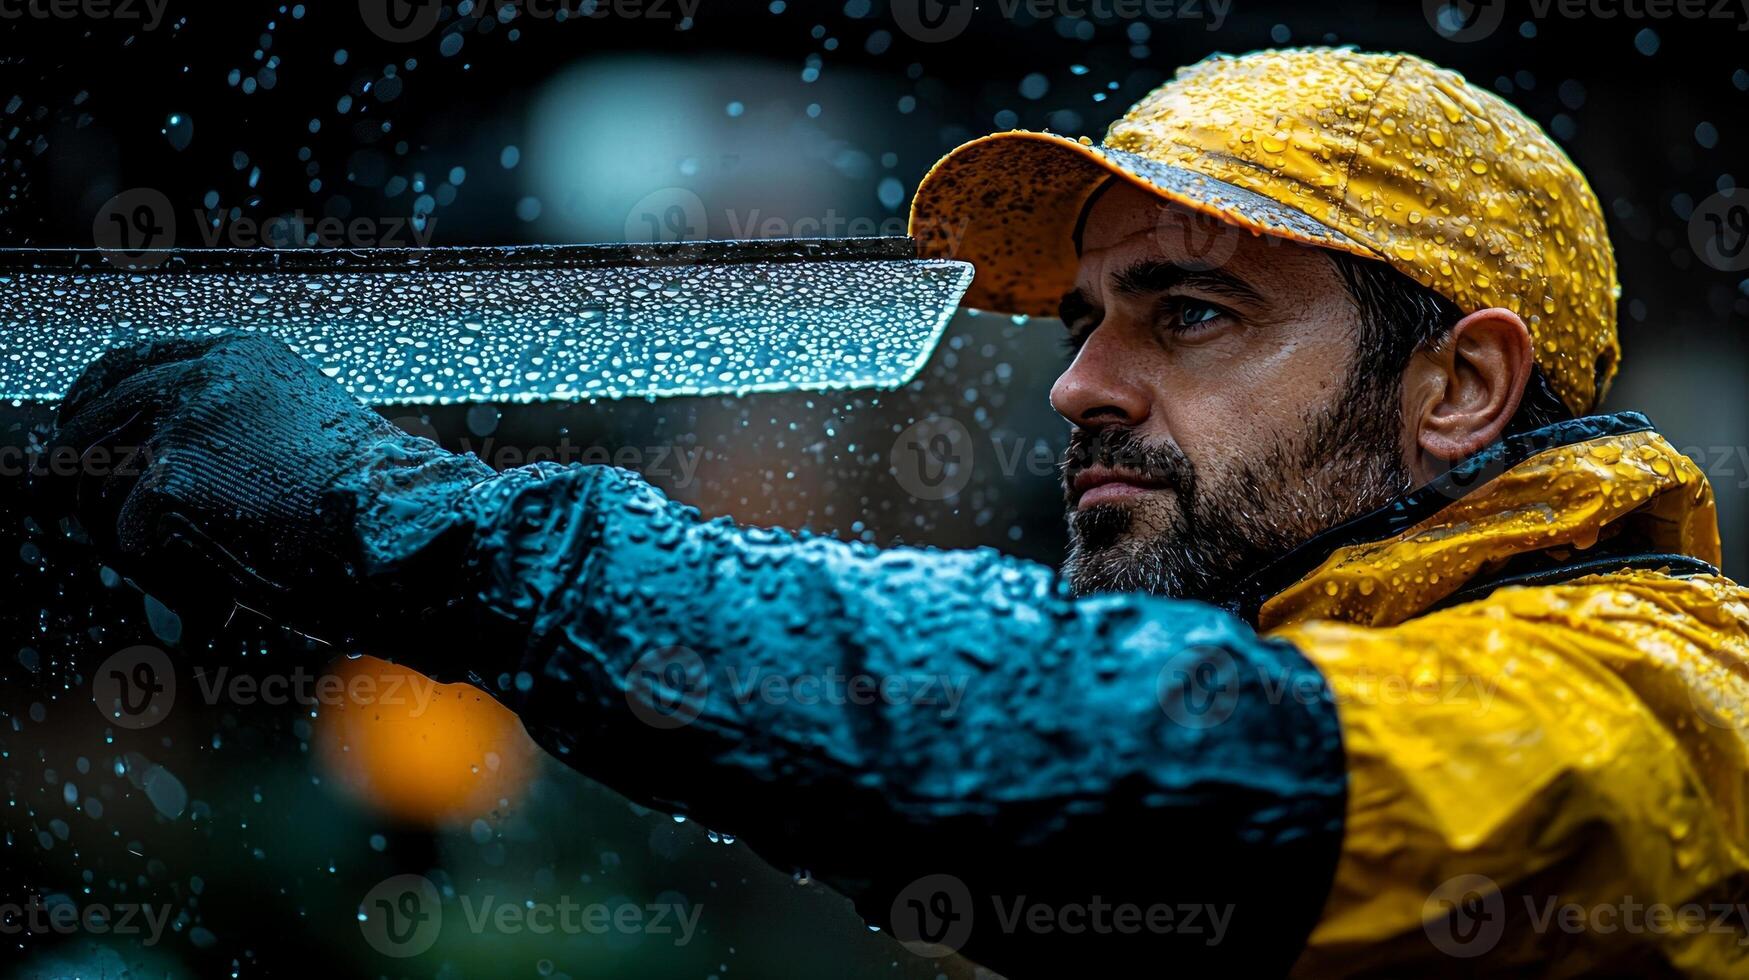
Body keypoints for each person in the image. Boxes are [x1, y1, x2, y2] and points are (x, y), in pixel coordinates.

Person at [46, 48, 1749, 976]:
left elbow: (1123, 760)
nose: (1077, 386)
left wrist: (422, 533)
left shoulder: (1663, 698)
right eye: (1085, 319)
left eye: (1191, 312)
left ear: (1457, 388)